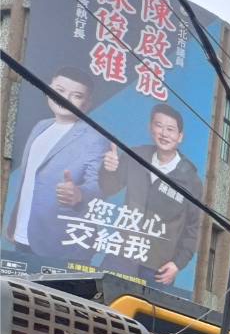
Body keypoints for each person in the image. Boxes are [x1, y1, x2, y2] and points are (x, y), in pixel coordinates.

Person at [2, 66, 109, 259]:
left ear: (87, 103)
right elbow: (28, 181)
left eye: (76, 95)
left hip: (61, 244)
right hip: (23, 234)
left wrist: (79, 194)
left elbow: (99, 184)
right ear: (48, 89)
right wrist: (14, 222)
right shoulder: (41, 127)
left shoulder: (95, 138)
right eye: (59, 90)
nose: (64, 98)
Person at [98, 102, 203, 286]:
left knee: (144, 314)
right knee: (100, 303)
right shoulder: (136, 156)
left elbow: (193, 229)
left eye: (170, 129)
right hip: (123, 254)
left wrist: (178, 264)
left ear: (180, 137)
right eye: (159, 125)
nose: (164, 133)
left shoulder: (191, 180)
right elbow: (108, 188)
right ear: (150, 127)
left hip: (157, 269)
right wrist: (109, 169)